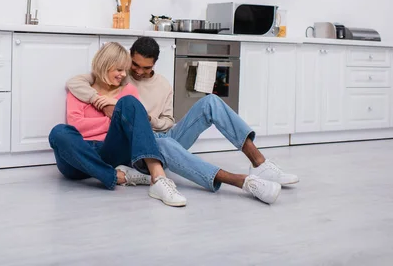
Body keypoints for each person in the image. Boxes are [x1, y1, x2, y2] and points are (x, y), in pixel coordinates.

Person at [66, 37, 299, 204]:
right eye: (133, 65)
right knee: (163, 144)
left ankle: (260, 164)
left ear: (154, 65)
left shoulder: (163, 85)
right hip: (139, 144)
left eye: (144, 68)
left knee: (211, 103)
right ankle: (243, 182)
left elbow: (168, 122)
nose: (136, 72)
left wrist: (151, 121)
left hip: (160, 132)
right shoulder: (119, 77)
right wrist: (102, 102)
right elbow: (78, 82)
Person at [49, 42, 188, 207]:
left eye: (125, 70)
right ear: (105, 65)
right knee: (58, 132)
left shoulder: (128, 92)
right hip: (79, 155)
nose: (124, 75)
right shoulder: (81, 90)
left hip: (110, 150)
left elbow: (134, 124)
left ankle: (158, 179)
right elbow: (76, 125)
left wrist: (118, 115)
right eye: (119, 70)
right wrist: (113, 120)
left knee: (130, 102)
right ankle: (116, 176)